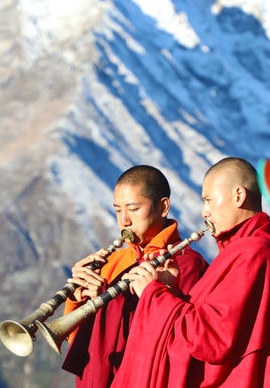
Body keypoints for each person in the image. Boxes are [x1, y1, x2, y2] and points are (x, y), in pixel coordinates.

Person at [109, 157, 270, 387]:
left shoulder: (253, 253)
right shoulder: (237, 252)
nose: (205, 212)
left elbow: (213, 337)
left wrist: (153, 294)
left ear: (238, 196)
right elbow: (206, 321)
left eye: (209, 200)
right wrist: (172, 291)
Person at [60, 165, 208, 387]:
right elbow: (86, 346)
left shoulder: (184, 263)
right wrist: (79, 295)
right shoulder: (114, 261)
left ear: (163, 206)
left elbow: (176, 339)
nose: (124, 221)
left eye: (133, 209)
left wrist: (109, 302)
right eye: (118, 210)